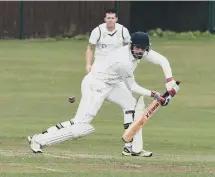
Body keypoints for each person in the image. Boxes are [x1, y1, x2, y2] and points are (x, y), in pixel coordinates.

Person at [29, 32, 179, 156]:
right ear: (131, 46)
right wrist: (155, 95)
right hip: (96, 85)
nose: (140, 51)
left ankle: (131, 147)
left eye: (143, 49)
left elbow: (162, 60)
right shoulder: (124, 62)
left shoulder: (142, 52)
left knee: (131, 105)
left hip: (113, 83)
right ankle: (39, 140)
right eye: (137, 48)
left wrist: (170, 81)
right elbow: (132, 87)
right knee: (81, 125)